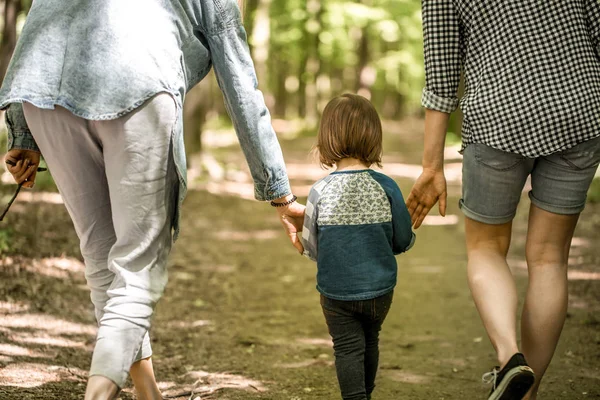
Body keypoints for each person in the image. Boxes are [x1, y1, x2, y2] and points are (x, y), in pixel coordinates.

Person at [1, 1, 305, 399]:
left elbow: (41, 15)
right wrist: (280, 194)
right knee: (136, 269)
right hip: (137, 78)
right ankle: (98, 394)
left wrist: (23, 135)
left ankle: (148, 392)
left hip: (45, 91)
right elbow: (240, 85)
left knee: (101, 256)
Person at [408, 1, 600, 399]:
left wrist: (431, 166)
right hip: (578, 112)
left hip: (496, 117)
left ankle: (511, 357)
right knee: (549, 258)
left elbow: (442, 80)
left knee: (486, 249)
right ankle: (524, 393)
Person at [302, 94, 415, 400]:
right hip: (380, 290)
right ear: (373, 137)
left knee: (347, 347)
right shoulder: (387, 186)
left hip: (336, 291)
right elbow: (402, 239)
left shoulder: (319, 190)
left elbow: (310, 246)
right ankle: (366, 392)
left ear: (327, 138)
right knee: (370, 337)